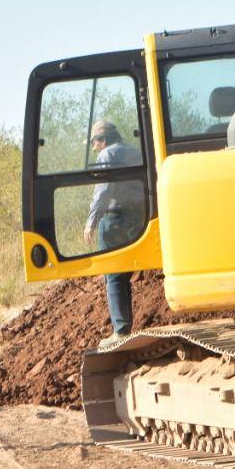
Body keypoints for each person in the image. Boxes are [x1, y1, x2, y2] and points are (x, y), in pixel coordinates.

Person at [82, 120, 144, 343]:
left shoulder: (106, 155)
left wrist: (91, 222)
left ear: (103, 140)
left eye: (94, 143)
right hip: (138, 219)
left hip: (115, 219)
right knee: (125, 274)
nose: (94, 148)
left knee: (114, 274)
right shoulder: (136, 152)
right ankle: (125, 327)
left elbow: (103, 192)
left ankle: (121, 331)